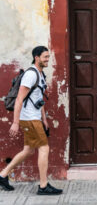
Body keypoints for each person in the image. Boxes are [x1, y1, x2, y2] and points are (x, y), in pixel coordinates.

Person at [0, 46, 62, 195]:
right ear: (36, 57)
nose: (48, 59)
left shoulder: (40, 74)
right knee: (44, 148)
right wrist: (15, 122)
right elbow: (20, 99)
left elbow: (38, 98)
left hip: (34, 117)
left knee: (28, 150)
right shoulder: (31, 75)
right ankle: (43, 186)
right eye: (45, 57)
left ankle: (2, 175)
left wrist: (44, 119)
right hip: (28, 118)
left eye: (48, 57)